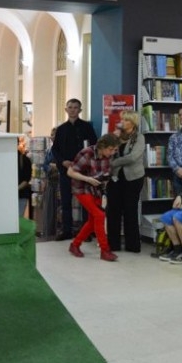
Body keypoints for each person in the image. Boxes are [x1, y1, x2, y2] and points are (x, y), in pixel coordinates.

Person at [66, 133, 122, 261]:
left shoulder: (108, 156)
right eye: (111, 149)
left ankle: (75, 245)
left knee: (93, 221)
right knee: (100, 215)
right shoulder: (87, 153)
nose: (113, 153)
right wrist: (88, 179)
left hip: (96, 189)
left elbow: (105, 173)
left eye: (115, 150)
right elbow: (70, 172)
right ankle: (105, 250)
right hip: (81, 188)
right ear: (102, 146)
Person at [49, 98, 98, 240]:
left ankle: (86, 231)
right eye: (70, 107)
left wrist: (84, 162)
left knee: (85, 202)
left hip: (83, 171)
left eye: (75, 107)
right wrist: (63, 161)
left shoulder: (86, 127)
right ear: (66, 109)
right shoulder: (61, 129)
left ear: (80, 110)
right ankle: (67, 231)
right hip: (66, 170)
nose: (72, 110)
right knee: (66, 202)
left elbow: (94, 146)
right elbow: (55, 149)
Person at [105, 111, 146, 253]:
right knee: (113, 211)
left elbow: (133, 157)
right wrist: (112, 138)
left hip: (133, 178)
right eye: (122, 119)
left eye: (125, 120)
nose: (122, 122)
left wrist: (114, 162)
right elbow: (106, 152)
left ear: (132, 123)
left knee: (130, 211)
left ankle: (132, 245)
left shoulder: (139, 137)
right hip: (115, 178)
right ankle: (113, 244)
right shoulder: (116, 136)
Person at [17, 135, 33, 218]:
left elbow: (26, 179)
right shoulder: (24, 159)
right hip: (20, 194)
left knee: (17, 219)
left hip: (20, 195)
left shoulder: (24, 160)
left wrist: (14, 190)